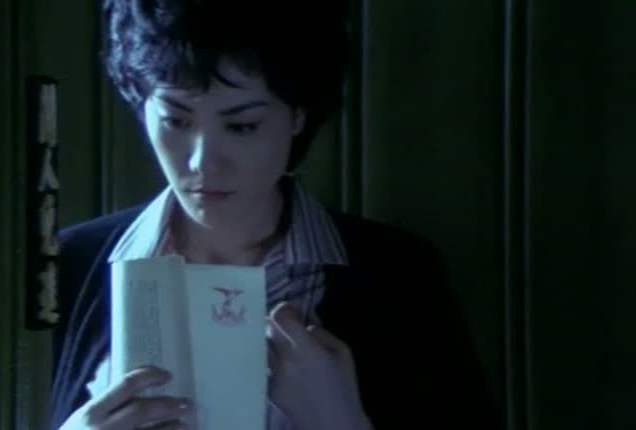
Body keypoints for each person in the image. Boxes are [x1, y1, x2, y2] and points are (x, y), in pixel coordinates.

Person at [49, 0, 502, 429]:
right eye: (176, 120)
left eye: (242, 125)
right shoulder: (71, 265)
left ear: (298, 115)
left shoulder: (399, 275)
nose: (203, 163)